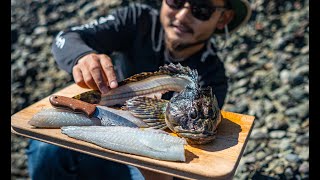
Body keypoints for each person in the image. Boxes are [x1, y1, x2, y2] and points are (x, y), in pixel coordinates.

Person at [26, 0, 252, 179]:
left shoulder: (213, 77)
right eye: (176, 1)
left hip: (145, 157)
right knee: (47, 149)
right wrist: (82, 57)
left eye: (201, 9)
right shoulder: (137, 19)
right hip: (101, 124)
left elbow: (195, 147)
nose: (182, 15)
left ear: (223, 18)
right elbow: (66, 38)